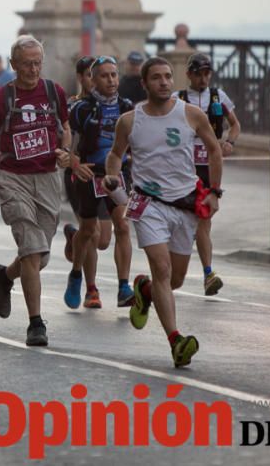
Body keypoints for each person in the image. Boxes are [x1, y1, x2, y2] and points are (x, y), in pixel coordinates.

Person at [104, 56, 222, 368]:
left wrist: (214, 192)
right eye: (156, 77)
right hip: (148, 203)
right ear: (144, 84)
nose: (164, 82)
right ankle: (176, 341)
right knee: (162, 269)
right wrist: (113, 176)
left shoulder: (192, 114)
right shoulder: (130, 121)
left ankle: (144, 289)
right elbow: (115, 155)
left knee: (177, 279)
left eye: (168, 76)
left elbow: (214, 149)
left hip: (184, 204)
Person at [0, 35, 72, 347]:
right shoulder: (0, 98)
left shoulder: (54, 91)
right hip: (12, 179)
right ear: (13, 66)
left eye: (37, 63)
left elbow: (66, 127)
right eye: (26, 64)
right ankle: (36, 324)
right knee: (33, 252)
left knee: (38, 257)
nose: (33, 69)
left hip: (48, 178)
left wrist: (65, 150)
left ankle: (5, 276)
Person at [65, 56, 135, 310]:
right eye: (104, 75)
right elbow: (65, 145)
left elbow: (138, 143)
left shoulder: (128, 107)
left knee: (122, 227)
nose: (111, 80)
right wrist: (74, 164)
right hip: (89, 175)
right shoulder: (81, 109)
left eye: (114, 75)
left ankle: (123, 287)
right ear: (92, 80)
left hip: (117, 175)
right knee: (89, 233)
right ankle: (81, 281)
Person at [177, 52, 241, 296]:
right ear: (189, 74)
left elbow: (235, 124)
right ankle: (171, 268)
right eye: (198, 73)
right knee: (182, 221)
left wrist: (229, 142)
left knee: (204, 221)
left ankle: (207, 273)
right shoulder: (178, 99)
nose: (203, 78)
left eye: (207, 73)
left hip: (208, 167)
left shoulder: (218, 96)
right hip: (183, 167)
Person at [61, 56, 94, 262]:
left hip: (103, 174)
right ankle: (87, 285)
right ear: (80, 77)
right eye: (90, 75)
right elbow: (62, 137)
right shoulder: (71, 106)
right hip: (76, 174)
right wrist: (68, 156)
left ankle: (75, 235)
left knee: (103, 240)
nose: (97, 79)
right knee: (91, 230)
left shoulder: (115, 105)